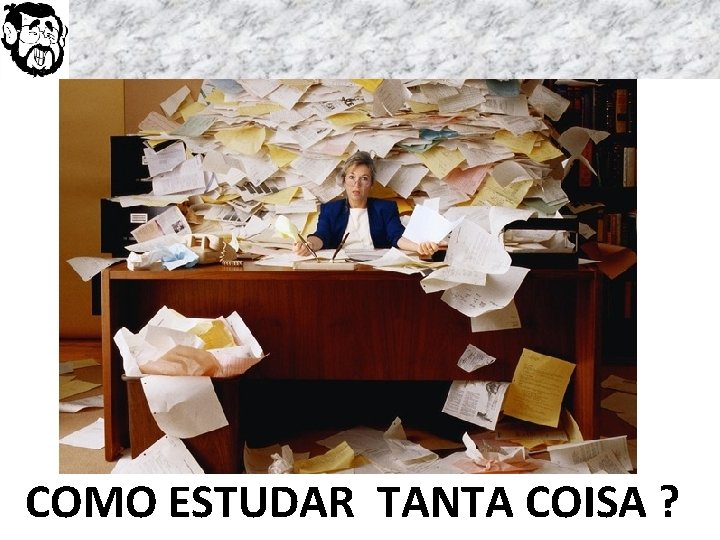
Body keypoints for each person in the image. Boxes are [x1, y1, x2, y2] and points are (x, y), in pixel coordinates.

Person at [293, 151, 439, 257]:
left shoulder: (386, 209)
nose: (356, 184)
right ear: (344, 181)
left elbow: (397, 235)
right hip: (342, 267)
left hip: (375, 268)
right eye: (352, 177)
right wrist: (309, 245)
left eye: (364, 178)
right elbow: (321, 235)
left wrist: (418, 246)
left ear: (371, 183)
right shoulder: (330, 210)